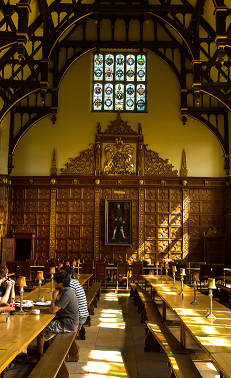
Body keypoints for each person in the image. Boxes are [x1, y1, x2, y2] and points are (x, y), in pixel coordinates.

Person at [33, 270, 79, 362]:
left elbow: (53, 310)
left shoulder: (67, 294)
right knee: (47, 326)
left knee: (41, 333)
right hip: (68, 321)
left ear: (60, 283)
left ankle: (40, 358)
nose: (54, 283)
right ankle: (46, 348)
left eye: (55, 282)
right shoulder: (67, 290)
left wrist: (54, 297)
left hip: (68, 324)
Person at [61, 265, 89, 339]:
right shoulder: (75, 281)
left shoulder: (70, 284)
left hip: (79, 317)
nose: (61, 276)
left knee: (55, 320)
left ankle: (51, 346)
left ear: (70, 275)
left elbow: (63, 299)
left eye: (63, 274)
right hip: (82, 314)